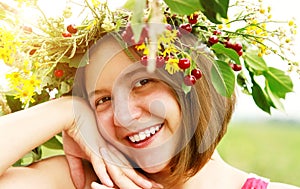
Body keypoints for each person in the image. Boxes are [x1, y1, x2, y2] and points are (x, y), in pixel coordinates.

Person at [1, 25, 299, 189]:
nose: (124, 114)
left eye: (142, 82)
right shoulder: (79, 182)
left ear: (193, 83)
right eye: (101, 100)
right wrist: (65, 111)